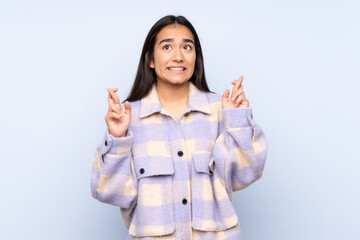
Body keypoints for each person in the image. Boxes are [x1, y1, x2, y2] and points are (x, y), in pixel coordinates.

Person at [91, 15, 268, 240]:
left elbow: (246, 173)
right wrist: (117, 139)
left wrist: (238, 119)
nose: (178, 56)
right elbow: (109, 191)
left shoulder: (220, 110)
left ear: (196, 57)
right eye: (167, 47)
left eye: (187, 47)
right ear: (150, 60)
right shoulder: (128, 117)